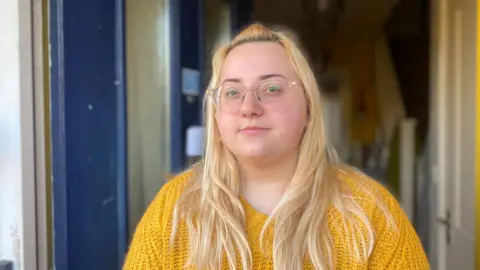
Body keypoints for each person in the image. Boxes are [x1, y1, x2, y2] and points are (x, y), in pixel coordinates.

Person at [123, 23, 430, 269]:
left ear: (309, 108)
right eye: (232, 92)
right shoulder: (173, 211)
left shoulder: (371, 212)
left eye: (271, 88)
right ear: (215, 118)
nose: (249, 106)